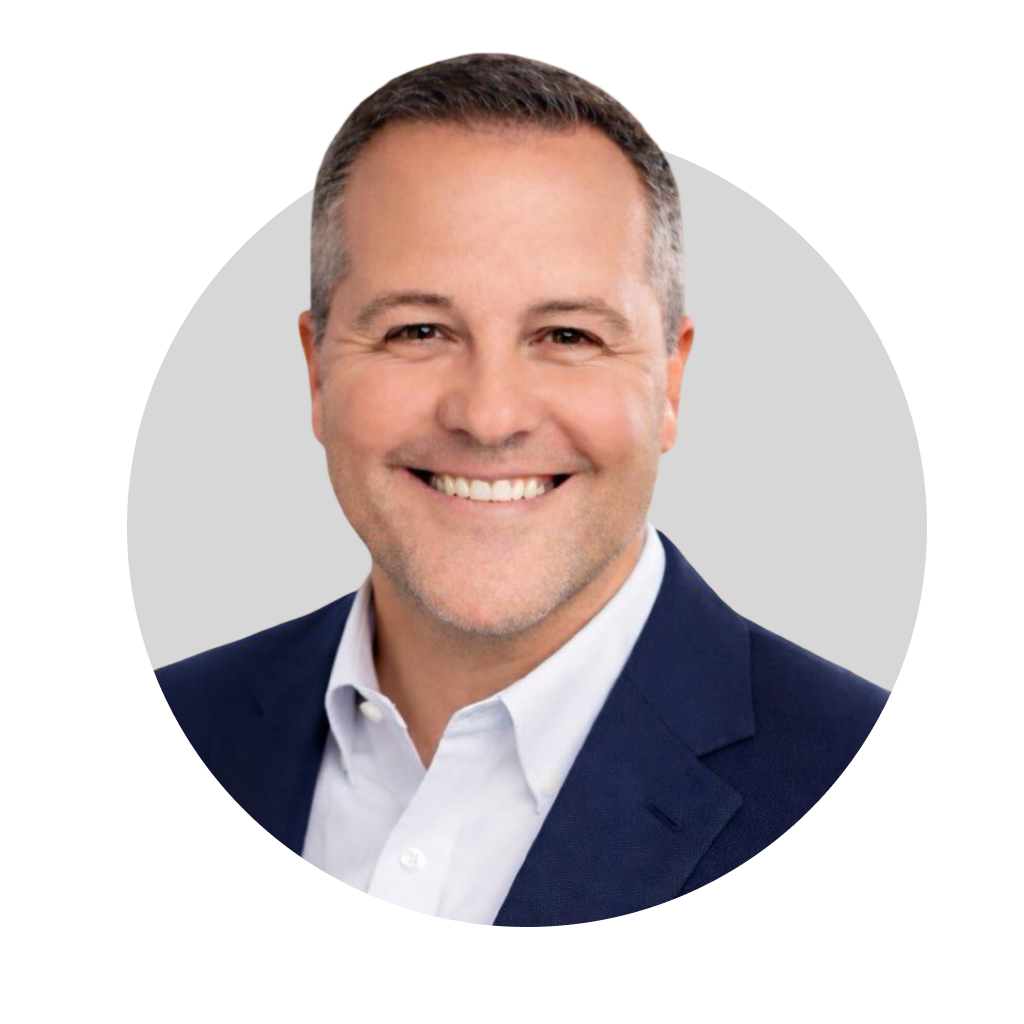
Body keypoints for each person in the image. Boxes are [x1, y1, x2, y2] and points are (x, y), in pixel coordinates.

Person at [156, 53, 889, 926]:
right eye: (418, 330)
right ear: (318, 374)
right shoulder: (161, 731)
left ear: (669, 383)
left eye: (568, 336)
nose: (489, 415)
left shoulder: (873, 793)